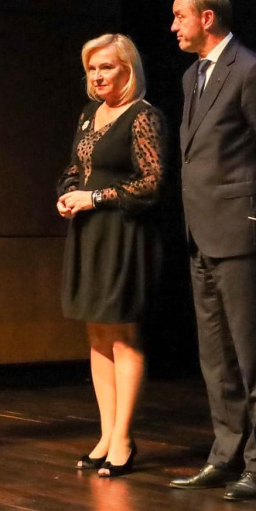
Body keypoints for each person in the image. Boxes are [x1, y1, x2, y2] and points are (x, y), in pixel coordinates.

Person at [169, 0, 256, 501]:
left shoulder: (250, 70)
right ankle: (225, 453)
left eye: (180, 16)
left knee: (252, 355)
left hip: (242, 233)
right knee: (216, 357)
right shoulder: (192, 75)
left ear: (207, 18)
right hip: (201, 232)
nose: (173, 26)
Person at [57, 34, 166, 478]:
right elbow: (75, 168)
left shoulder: (143, 116)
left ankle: (123, 438)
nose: (98, 76)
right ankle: (105, 434)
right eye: (92, 68)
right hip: (89, 233)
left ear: (128, 69)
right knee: (98, 336)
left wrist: (95, 197)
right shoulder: (89, 114)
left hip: (124, 233)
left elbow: (153, 183)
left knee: (122, 335)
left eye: (106, 67)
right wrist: (68, 194)